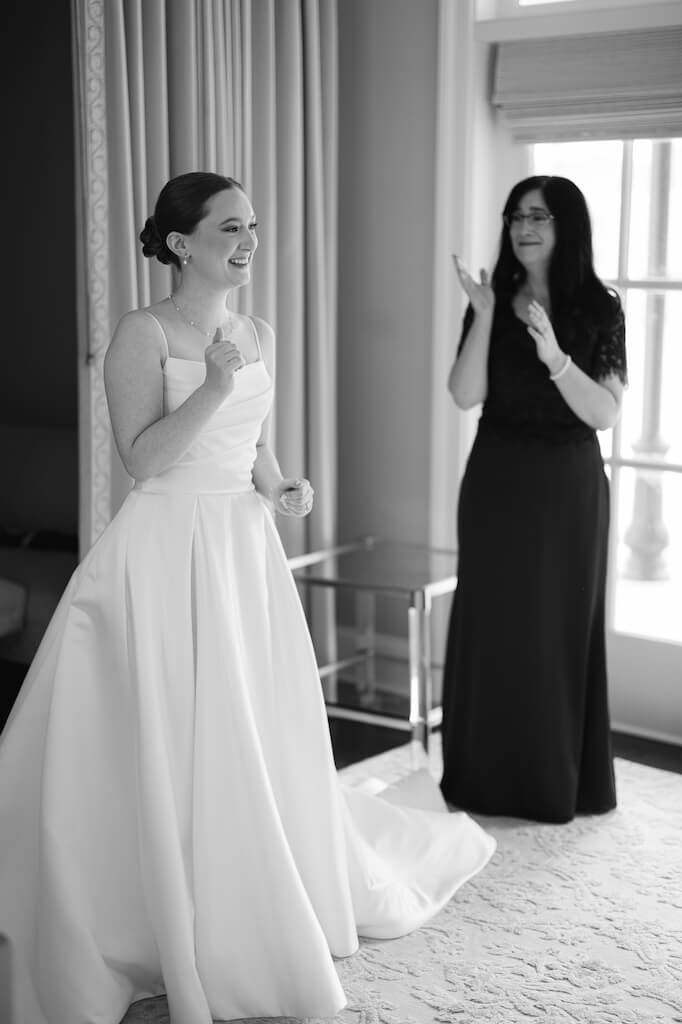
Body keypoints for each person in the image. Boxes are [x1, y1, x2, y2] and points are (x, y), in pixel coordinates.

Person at [0, 171, 495, 1024]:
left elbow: (253, 444)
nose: (248, 241)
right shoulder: (141, 332)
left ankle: (254, 883)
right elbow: (143, 460)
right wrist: (215, 389)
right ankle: (153, 909)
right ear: (182, 241)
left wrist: (280, 486)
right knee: (167, 726)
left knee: (249, 721)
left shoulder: (257, 329)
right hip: (162, 549)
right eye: (230, 227)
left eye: (253, 226)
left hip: (240, 546)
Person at [440, 175, 627, 825]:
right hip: (496, 479)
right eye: (516, 215)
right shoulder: (492, 299)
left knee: (554, 627)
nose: (524, 227)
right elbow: (464, 395)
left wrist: (553, 355)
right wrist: (487, 314)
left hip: (567, 486)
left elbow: (602, 411)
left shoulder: (597, 308)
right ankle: (482, 778)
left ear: (565, 225)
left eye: (539, 216)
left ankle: (553, 781)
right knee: (492, 625)